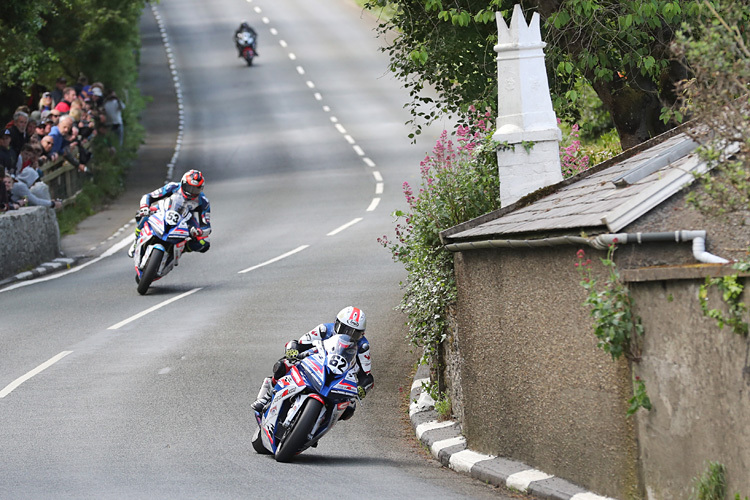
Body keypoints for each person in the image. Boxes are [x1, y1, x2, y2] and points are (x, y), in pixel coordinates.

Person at [251, 306, 375, 418]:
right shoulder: (324, 329)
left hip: (339, 378)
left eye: (355, 333)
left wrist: (362, 388)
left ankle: (319, 423)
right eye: (345, 329)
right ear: (336, 324)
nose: (349, 335)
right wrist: (293, 350)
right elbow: (300, 344)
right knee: (284, 364)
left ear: (362, 334)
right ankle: (267, 397)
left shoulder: (363, 346)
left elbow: (366, 376)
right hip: (315, 364)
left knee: (349, 408)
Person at [127, 169, 211, 257]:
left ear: (201, 189)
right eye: (189, 187)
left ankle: (181, 249)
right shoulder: (173, 186)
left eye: (195, 189)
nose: (191, 191)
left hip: (187, 219)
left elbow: (207, 226)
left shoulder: (203, 201)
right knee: (141, 215)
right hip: (165, 208)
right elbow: (149, 196)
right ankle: (136, 240)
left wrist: (199, 232)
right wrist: (144, 207)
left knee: (204, 243)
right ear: (183, 183)